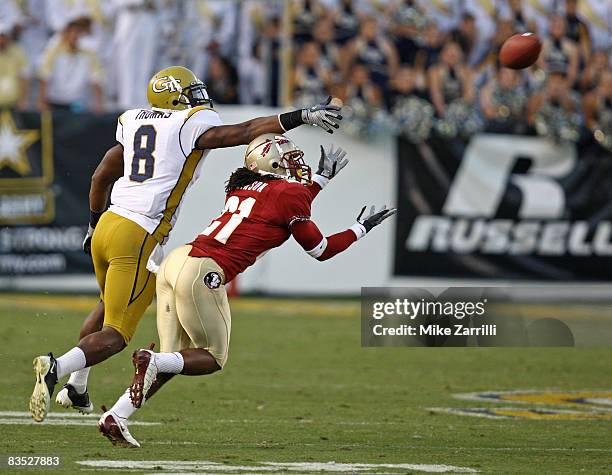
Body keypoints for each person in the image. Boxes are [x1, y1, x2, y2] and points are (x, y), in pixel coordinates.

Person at [28, 66, 343, 423]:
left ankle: (77, 387)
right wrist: (301, 115)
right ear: (175, 98)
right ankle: (56, 367)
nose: (199, 99)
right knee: (117, 333)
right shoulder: (186, 124)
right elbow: (244, 131)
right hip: (139, 233)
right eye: (191, 93)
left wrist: (92, 222)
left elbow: (102, 173)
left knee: (106, 306)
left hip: (108, 223)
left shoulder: (133, 119)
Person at [98, 133, 396, 447]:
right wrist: (360, 228)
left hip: (178, 261)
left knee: (176, 359)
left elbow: (286, 201)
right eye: (289, 156)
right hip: (203, 270)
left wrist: (321, 180)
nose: (297, 161)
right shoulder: (288, 193)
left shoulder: (244, 187)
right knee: (211, 357)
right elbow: (319, 249)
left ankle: (116, 415)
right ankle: (152, 362)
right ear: (271, 161)